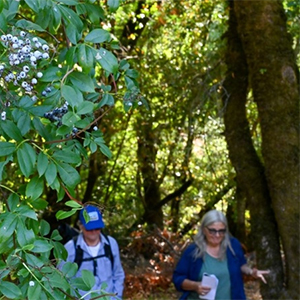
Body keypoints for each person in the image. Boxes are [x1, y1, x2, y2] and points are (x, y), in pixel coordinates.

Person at [172, 210, 270, 300]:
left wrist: (251, 272)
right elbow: (178, 279)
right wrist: (196, 285)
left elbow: (241, 264)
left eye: (221, 231)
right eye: (212, 231)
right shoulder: (192, 251)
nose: (217, 235)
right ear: (204, 229)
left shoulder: (233, 245)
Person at [59, 205, 125, 299]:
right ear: (81, 226)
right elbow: (62, 279)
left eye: (97, 228)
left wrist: (116, 297)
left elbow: (118, 274)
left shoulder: (111, 244)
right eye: (89, 228)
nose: (94, 231)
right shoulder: (70, 248)